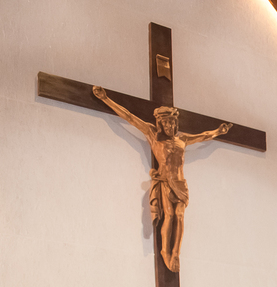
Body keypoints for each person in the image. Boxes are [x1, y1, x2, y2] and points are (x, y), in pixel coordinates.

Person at [91, 86, 232, 273]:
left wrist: (219, 132)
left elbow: (204, 136)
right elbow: (130, 117)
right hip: (165, 183)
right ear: (160, 124)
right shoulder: (153, 135)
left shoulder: (182, 140)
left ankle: (175, 253)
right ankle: (165, 251)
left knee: (180, 217)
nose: (171, 127)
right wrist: (105, 99)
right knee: (170, 216)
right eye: (167, 124)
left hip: (181, 184)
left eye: (173, 124)